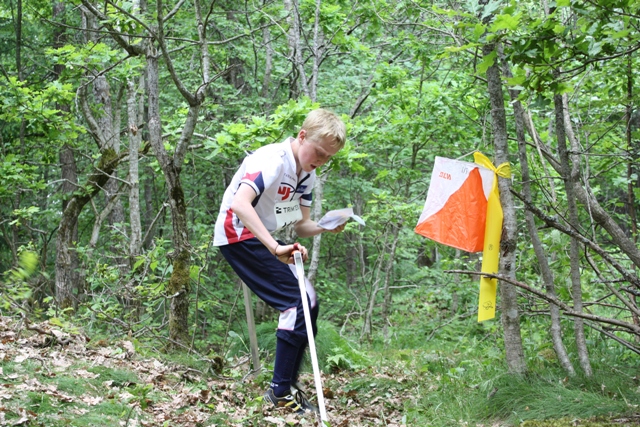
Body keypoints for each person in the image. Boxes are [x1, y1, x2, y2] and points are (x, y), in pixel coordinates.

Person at [213, 108, 347, 414]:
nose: (321, 161)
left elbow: (301, 225)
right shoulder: (272, 159)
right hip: (237, 233)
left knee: (309, 302)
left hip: (261, 237)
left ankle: (287, 385)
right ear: (302, 136)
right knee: (296, 302)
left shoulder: (307, 174)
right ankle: (280, 391)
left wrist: (326, 225)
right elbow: (240, 204)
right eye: (319, 152)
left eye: (329, 157)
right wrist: (275, 248)